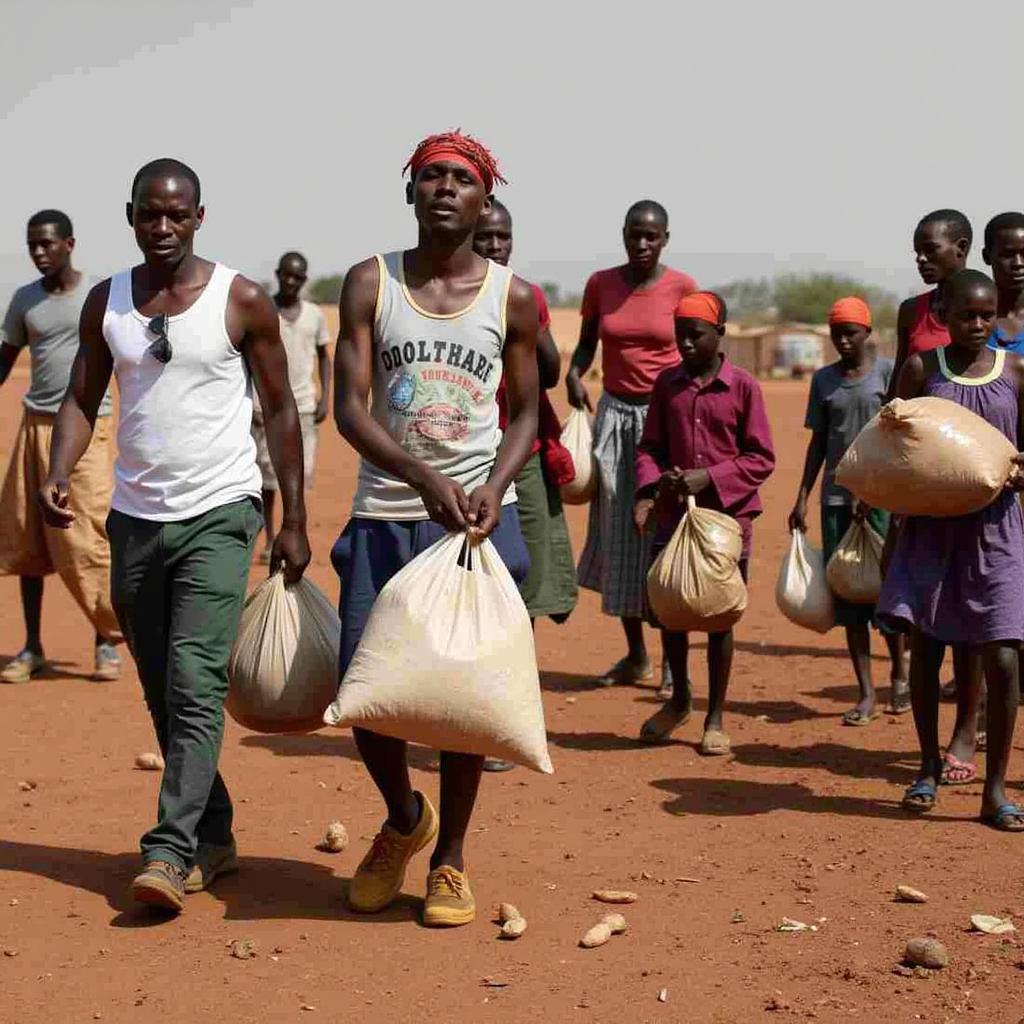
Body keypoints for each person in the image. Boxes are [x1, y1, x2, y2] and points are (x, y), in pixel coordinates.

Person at [39, 158, 311, 911]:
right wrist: (60, 468)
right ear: (130, 216)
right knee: (163, 689)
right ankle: (215, 835)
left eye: (177, 214)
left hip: (220, 517)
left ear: (199, 216)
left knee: (195, 682)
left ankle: (168, 851)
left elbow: (282, 410)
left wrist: (293, 516)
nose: (163, 227)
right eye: (149, 215)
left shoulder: (240, 299)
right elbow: (80, 396)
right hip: (134, 521)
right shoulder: (109, 302)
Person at [332, 131, 538, 927]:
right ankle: (400, 817)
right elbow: (350, 408)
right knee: (362, 689)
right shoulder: (369, 284)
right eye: (431, 177)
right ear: (410, 192)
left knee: (464, 695)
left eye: (462, 178)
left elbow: (525, 413)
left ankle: (449, 856)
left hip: (479, 525)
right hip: (387, 510)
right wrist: (424, 478)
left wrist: (490, 486)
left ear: (485, 199)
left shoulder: (511, 298)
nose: (445, 188)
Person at [878, 270, 1024, 830]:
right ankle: (927, 769)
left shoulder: (1012, 371)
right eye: (968, 315)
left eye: (987, 316)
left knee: (1004, 656)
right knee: (928, 647)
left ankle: (995, 790)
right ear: (946, 315)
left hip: (996, 532)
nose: (979, 325)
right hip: (932, 531)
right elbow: (891, 440)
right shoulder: (922, 370)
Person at [633, 291, 774, 755]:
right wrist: (650, 489)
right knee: (671, 613)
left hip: (726, 524)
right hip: (675, 518)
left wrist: (708, 477)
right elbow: (650, 446)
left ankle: (715, 715)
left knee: (718, 617)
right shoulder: (666, 385)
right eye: (680, 336)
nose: (686, 345)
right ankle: (679, 701)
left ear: (720, 335)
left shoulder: (743, 387)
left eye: (696, 336)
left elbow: (760, 458)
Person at [568, 201, 696, 694]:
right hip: (615, 418)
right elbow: (585, 345)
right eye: (634, 235)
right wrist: (574, 373)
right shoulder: (602, 284)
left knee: (665, 531)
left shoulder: (682, 287)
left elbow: (695, 346)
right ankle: (637, 654)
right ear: (623, 234)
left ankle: (671, 661)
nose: (642, 245)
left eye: (652, 237)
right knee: (621, 530)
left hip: (665, 418)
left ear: (665, 238)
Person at [472, 198, 577, 773]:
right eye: (485, 238)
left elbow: (551, 373)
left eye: (503, 238)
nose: (494, 248)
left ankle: (506, 709)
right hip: (462, 456)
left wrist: (530, 324)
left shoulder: (525, 296)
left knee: (521, 580)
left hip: (521, 451)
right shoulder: (449, 293)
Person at [0, 210, 121, 684]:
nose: (39, 253)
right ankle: (32, 647)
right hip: (36, 427)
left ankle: (106, 640)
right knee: (30, 535)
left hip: (89, 428)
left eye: (47, 244)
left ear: (70, 244)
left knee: (87, 534)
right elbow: (5, 361)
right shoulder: (24, 301)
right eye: (32, 245)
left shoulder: (96, 296)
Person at [887, 208, 980, 777]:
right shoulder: (910, 313)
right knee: (924, 614)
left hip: (981, 488)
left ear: (962, 249)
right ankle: (926, 744)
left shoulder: (983, 309)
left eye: (931, 249)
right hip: (923, 489)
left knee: (974, 618)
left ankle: (968, 730)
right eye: (916, 250)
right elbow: (897, 397)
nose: (921, 259)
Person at [789, 297, 908, 723]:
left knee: (886, 590)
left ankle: (899, 674)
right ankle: (865, 693)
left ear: (867, 333)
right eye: (837, 333)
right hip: (836, 501)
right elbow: (818, 443)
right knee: (849, 597)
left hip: (882, 502)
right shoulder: (823, 381)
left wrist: (874, 492)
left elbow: (897, 438)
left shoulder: (887, 373)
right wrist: (802, 496)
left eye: (850, 333)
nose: (843, 340)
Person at [252, 251, 331, 563]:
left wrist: (325, 397)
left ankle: (293, 531)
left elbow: (325, 356)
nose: (291, 281)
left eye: (297, 277)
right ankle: (271, 538)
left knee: (300, 473)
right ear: (277, 273)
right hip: (266, 409)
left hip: (303, 407)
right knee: (267, 477)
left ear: (304, 280)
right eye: (286, 275)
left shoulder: (314, 315)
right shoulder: (264, 310)